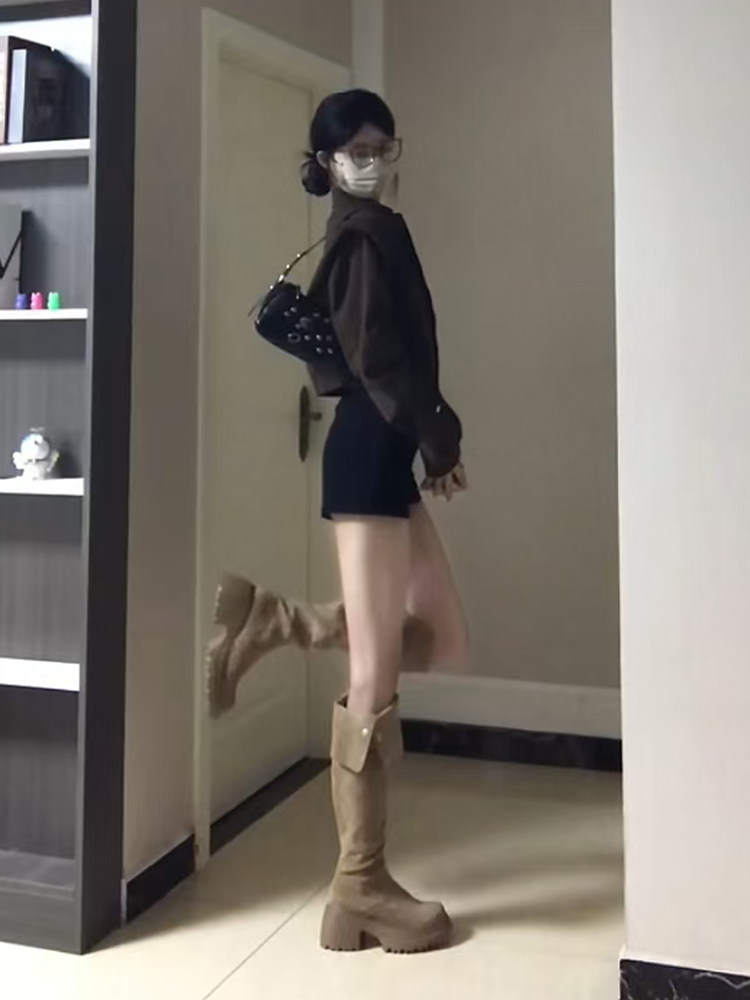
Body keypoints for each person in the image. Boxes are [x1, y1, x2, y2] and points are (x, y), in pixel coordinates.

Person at [205, 89, 469, 954]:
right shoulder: (363, 236)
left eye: (383, 145)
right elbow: (378, 359)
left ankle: (278, 621)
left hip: (382, 449)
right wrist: (438, 441)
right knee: (376, 675)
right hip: (371, 445)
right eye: (356, 148)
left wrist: (430, 441)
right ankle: (360, 886)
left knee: (439, 634)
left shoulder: (372, 229)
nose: (372, 159)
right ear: (325, 161)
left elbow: (391, 359)